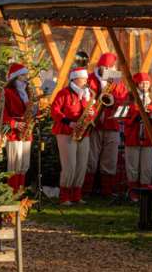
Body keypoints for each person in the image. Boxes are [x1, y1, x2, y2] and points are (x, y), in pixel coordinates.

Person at [84, 53, 129, 198]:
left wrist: (114, 99)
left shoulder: (116, 79)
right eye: (106, 67)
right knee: (90, 159)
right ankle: (86, 191)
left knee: (110, 159)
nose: (108, 69)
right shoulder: (90, 78)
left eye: (111, 67)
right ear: (100, 66)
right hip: (93, 124)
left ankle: (107, 191)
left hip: (112, 124)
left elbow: (123, 99)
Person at [51, 67, 93, 205]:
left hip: (83, 133)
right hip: (65, 132)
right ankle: (64, 196)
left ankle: (76, 195)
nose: (86, 81)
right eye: (84, 78)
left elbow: (90, 113)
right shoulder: (63, 93)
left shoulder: (87, 94)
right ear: (75, 78)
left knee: (81, 165)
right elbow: (55, 111)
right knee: (70, 165)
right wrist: (68, 122)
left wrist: (91, 113)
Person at [2, 62, 34, 194]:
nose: (26, 77)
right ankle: (12, 192)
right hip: (14, 132)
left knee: (24, 164)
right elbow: (1, 114)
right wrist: (14, 124)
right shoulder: (7, 92)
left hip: (27, 131)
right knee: (14, 164)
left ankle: (19, 191)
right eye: (23, 75)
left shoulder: (28, 92)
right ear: (16, 77)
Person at [124, 72, 152, 199]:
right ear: (136, 84)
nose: (145, 85)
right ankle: (133, 193)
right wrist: (136, 115)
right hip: (133, 136)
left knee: (146, 167)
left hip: (148, 138)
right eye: (142, 83)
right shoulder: (129, 99)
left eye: (147, 83)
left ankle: (145, 194)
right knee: (133, 167)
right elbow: (124, 118)